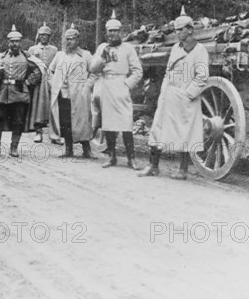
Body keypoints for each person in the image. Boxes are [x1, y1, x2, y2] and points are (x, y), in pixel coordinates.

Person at [138, 9, 209, 180]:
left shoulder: (200, 51)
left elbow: (202, 77)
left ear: (190, 30)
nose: (177, 33)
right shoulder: (176, 49)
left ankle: (182, 170)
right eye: (176, 30)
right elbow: (169, 72)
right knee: (157, 128)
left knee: (184, 132)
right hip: (168, 95)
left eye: (180, 29)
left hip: (185, 97)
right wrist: (165, 92)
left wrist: (188, 95)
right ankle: (153, 165)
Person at [0, 25, 50, 157]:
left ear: (20, 42)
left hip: (20, 94)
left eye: (17, 41)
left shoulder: (26, 56)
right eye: (12, 41)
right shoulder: (2, 57)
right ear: (8, 42)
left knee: (18, 121)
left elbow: (39, 69)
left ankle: (14, 148)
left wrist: (28, 82)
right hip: (2, 93)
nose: (14, 44)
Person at [90, 11, 143, 170]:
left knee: (126, 124)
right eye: (109, 31)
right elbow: (92, 68)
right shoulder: (102, 48)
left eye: (115, 31)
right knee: (108, 124)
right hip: (106, 86)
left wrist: (127, 85)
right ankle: (112, 156)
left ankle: (131, 159)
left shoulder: (128, 48)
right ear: (106, 33)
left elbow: (137, 71)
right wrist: (102, 58)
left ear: (120, 32)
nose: (112, 34)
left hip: (121, 86)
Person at [48, 23, 95, 158]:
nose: (69, 41)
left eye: (72, 39)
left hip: (80, 95)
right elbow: (49, 71)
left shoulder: (85, 55)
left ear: (78, 40)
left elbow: (94, 73)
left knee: (83, 121)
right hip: (62, 95)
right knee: (65, 122)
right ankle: (69, 149)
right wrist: (53, 84)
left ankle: (87, 150)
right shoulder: (60, 55)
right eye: (67, 39)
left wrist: (87, 86)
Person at [28, 22, 58, 143]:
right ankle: (38, 132)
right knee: (38, 107)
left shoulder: (54, 50)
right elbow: (29, 66)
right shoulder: (32, 49)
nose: (44, 37)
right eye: (42, 35)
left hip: (51, 82)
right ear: (39, 36)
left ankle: (54, 134)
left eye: (46, 35)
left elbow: (57, 66)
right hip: (38, 83)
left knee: (53, 107)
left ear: (49, 36)